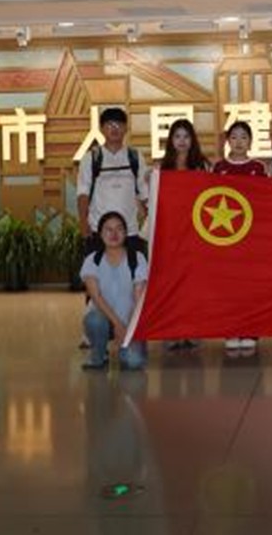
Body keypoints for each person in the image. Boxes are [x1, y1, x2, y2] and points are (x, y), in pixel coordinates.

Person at [76, 106, 149, 348]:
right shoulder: (92, 158)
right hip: (99, 232)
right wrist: (84, 226)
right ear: (101, 128)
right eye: (109, 124)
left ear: (126, 128)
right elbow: (82, 194)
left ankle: (133, 326)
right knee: (95, 282)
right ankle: (91, 332)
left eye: (119, 124)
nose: (114, 128)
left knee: (135, 282)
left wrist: (152, 218)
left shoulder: (135, 157)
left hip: (131, 232)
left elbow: (145, 195)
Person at [213, 121, 267, 352]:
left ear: (250, 142)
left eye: (243, 137)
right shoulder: (219, 168)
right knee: (228, 286)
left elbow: (268, 200)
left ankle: (251, 330)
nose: (238, 141)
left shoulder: (258, 168)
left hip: (252, 238)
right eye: (234, 137)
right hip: (226, 237)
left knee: (251, 286)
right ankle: (231, 330)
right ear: (228, 141)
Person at [157, 118, 209, 350]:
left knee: (194, 286)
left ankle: (192, 330)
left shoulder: (202, 166)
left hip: (196, 235)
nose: (182, 141)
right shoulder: (162, 168)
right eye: (177, 136)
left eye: (186, 136)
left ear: (192, 140)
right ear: (171, 141)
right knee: (172, 285)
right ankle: (172, 331)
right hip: (170, 236)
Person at [81, 211, 150, 371]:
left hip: (131, 322)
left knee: (134, 363)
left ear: (125, 233)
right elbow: (96, 297)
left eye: (119, 229)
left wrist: (128, 330)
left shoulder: (137, 258)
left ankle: (126, 348)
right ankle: (98, 355)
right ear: (100, 234)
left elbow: (139, 299)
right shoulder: (92, 260)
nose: (114, 234)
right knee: (94, 320)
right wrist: (118, 325)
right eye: (108, 229)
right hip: (104, 320)